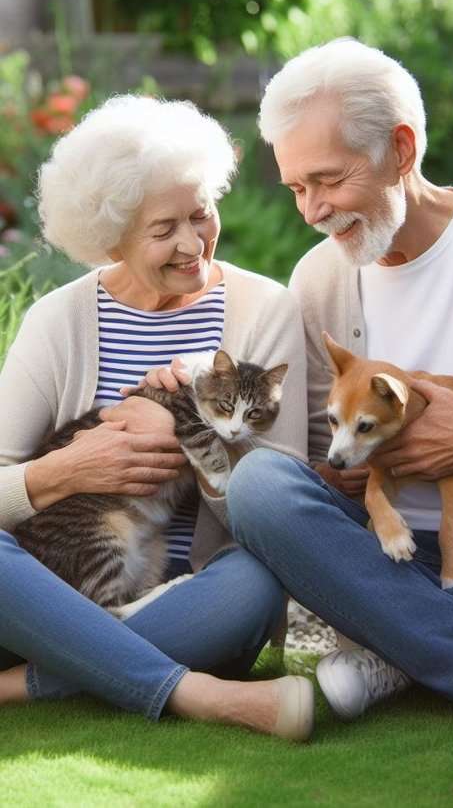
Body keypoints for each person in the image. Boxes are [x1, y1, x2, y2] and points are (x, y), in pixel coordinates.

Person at [0, 95, 315, 741]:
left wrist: (189, 442)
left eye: (202, 214)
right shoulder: (58, 322)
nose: (193, 243)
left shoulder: (265, 310)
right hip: (67, 578)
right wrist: (66, 467)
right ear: (110, 235)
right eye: (164, 228)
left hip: (191, 601)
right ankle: (197, 693)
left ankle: (31, 677)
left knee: (254, 584)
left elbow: (283, 511)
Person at [226, 37, 453, 721]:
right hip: (377, 555)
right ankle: (429, 640)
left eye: (329, 180)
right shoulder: (318, 279)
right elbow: (308, 456)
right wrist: (339, 463)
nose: (311, 210)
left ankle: (401, 645)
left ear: (401, 150)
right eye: (297, 188)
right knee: (258, 484)